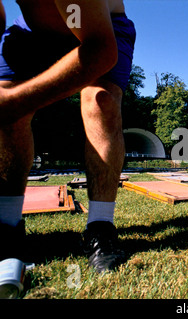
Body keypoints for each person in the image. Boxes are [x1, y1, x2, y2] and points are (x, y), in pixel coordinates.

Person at [0, 0, 136, 271]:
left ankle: (100, 227)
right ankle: (7, 227)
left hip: (98, 31)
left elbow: (100, 50)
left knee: (101, 101)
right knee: (4, 100)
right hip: (32, 31)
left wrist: (15, 103)